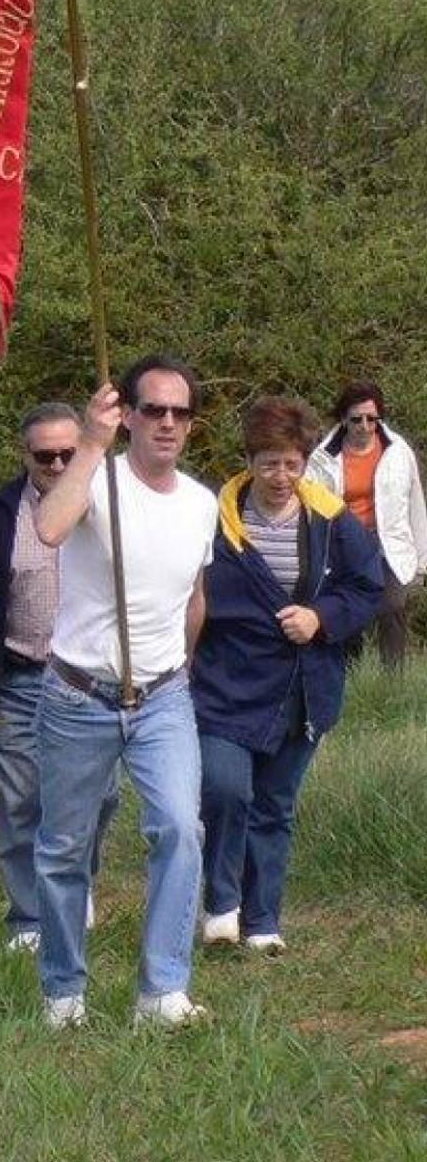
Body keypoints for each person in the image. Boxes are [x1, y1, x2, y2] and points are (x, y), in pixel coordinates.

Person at [31, 356, 219, 1030]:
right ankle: (63, 991)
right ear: (130, 416)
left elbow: (195, 600)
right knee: (64, 848)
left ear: (191, 425)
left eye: (180, 412)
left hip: (164, 696)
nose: (167, 422)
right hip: (79, 695)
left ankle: (161, 992)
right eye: (153, 409)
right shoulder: (96, 480)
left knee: (179, 827)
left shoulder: (201, 504)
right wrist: (89, 443)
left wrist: (180, 670)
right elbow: (49, 528)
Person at [194, 396, 384, 956]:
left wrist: (321, 617)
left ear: (306, 463)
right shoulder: (212, 520)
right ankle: (221, 905)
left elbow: (367, 588)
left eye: (292, 463)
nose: (281, 476)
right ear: (249, 461)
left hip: (303, 688)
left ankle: (262, 923)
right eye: (269, 462)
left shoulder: (331, 520)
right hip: (224, 684)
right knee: (226, 790)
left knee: (275, 804)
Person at [0, 403, 118, 952]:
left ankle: (71, 884)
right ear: (26, 456)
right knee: (22, 802)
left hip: (89, 680)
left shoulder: (111, 506)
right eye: (46, 455)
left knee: (101, 797)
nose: (59, 463)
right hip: (16, 678)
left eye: (69, 452)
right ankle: (29, 918)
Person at [304, 381, 427, 671]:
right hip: (344, 545)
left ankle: (393, 678)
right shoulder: (322, 459)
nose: (364, 425)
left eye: (371, 419)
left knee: (393, 607)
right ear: (344, 419)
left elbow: (415, 504)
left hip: (390, 545)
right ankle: (351, 674)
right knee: (350, 610)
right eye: (356, 419)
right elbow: (312, 509)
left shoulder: (398, 452)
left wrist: (422, 560)